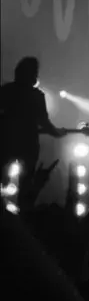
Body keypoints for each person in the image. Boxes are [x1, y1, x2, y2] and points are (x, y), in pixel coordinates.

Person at [0, 57, 66, 211]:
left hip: (5, 143)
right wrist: (57, 133)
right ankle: (23, 214)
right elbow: (44, 122)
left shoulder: (5, 90)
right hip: (27, 145)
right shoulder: (37, 96)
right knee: (25, 184)